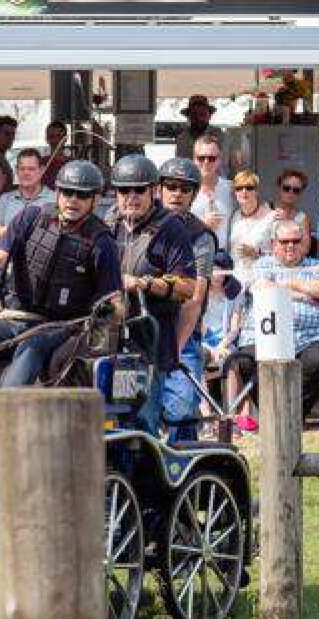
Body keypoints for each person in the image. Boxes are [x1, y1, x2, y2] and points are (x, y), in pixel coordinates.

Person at [0, 161, 122, 385]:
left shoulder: (102, 242)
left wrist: (101, 326)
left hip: (59, 327)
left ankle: (7, 406)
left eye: (82, 195)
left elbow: (114, 302)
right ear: (58, 192)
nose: (73, 200)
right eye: (68, 192)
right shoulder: (30, 217)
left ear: (96, 199)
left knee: (33, 344)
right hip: (13, 318)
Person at [101, 155, 197, 437]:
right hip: (107, 341)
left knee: (139, 422)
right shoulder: (109, 222)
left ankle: (143, 479)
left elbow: (188, 287)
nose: (131, 197)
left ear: (153, 190)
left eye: (139, 190)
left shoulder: (170, 227)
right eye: (123, 190)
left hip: (147, 342)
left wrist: (144, 283)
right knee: (105, 420)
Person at [231, 220, 319, 420]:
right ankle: (272, 415)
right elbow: (262, 287)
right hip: (265, 336)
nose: (291, 246)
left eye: (296, 241)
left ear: (304, 243)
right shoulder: (262, 265)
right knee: (245, 361)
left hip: (308, 338)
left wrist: (286, 283)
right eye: (284, 241)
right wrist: (305, 293)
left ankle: (293, 416)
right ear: (273, 244)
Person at [158, 157, 217, 442]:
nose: (177, 193)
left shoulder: (201, 236)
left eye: (185, 188)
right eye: (170, 186)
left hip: (182, 332)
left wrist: (176, 349)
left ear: (194, 194)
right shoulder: (144, 223)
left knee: (182, 410)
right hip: (141, 330)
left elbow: (195, 298)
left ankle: (188, 477)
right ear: (159, 189)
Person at [0, 149, 56, 244]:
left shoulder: (54, 199)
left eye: (31, 169)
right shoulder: (6, 199)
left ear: (42, 170)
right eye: (22, 169)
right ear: (16, 170)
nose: (26, 173)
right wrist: (18, 226)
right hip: (10, 257)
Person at [226, 169, 275, 273]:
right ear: (235, 193)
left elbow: (280, 256)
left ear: (256, 191)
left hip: (261, 277)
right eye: (239, 188)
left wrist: (256, 253)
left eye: (249, 188)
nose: (244, 191)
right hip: (236, 277)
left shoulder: (271, 217)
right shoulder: (235, 216)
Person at [189, 135, 234, 242]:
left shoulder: (232, 188)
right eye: (201, 158)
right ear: (194, 159)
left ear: (219, 160)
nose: (206, 162)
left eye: (211, 158)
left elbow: (250, 212)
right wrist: (203, 225)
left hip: (225, 256)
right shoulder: (184, 190)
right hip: (195, 255)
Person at [176, 95, 228, 176]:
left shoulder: (219, 135)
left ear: (209, 116)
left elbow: (224, 164)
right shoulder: (182, 139)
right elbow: (179, 165)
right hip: (190, 182)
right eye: (194, 114)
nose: (198, 118)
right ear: (188, 117)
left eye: (202, 114)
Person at [270, 167, 313, 253]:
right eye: (286, 188)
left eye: (296, 190)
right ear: (279, 188)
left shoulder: (302, 218)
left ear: (300, 193)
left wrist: (288, 222)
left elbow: (305, 248)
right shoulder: (267, 211)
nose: (291, 193)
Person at [41, 121, 71, 189]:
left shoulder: (72, 164)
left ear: (65, 138)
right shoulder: (40, 163)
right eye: (52, 137)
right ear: (47, 139)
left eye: (59, 136)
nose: (56, 140)